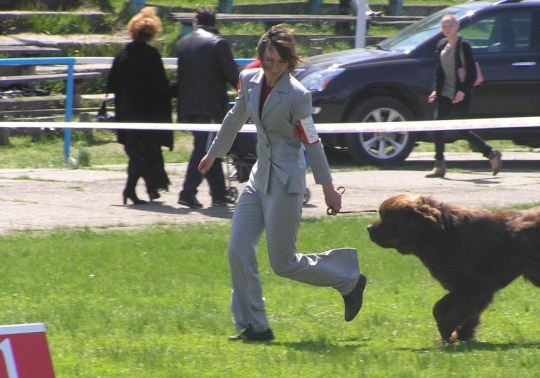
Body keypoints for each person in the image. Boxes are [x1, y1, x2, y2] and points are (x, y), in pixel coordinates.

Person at [198, 25, 366, 341]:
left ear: (289, 62)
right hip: (258, 179)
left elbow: (312, 142)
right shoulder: (249, 81)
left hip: (287, 183)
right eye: (266, 60)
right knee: (237, 249)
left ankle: (349, 279)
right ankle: (255, 326)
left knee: (283, 263)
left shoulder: (298, 96)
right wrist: (213, 154)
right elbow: (235, 119)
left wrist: (328, 187)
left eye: (277, 61)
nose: (271, 67)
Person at [174, 6, 239, 209]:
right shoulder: (218, 43)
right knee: (204, 149)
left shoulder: (183, 43)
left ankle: (219, 194)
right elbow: (232, 75)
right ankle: (187, 192)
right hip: (210, 107)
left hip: (187, 105)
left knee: (210, 147)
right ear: (214, 22)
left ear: (196, 21)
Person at [107, 6, 173, 205]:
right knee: (144, 154)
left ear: (133, 30)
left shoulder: (122, 55)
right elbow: (161, 86)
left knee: (137, 153)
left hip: (126, 112)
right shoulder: (152, 55)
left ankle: (142, 190)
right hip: (147, 114)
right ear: (152, 33)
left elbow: (111, 84)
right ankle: (133, 190)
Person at [426, 14, 502, 178]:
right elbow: (440, 72)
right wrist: (435, 91)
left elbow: (472, 73)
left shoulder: (463, 45)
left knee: (462, 130)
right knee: (437, 127)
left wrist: (462, 92)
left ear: (457, 26)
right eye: (444, 26)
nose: (447, 29)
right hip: (445, 93)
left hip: (460, 93)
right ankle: (439, 165)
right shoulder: (441, 44)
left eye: (450, 25)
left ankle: (491, 153)